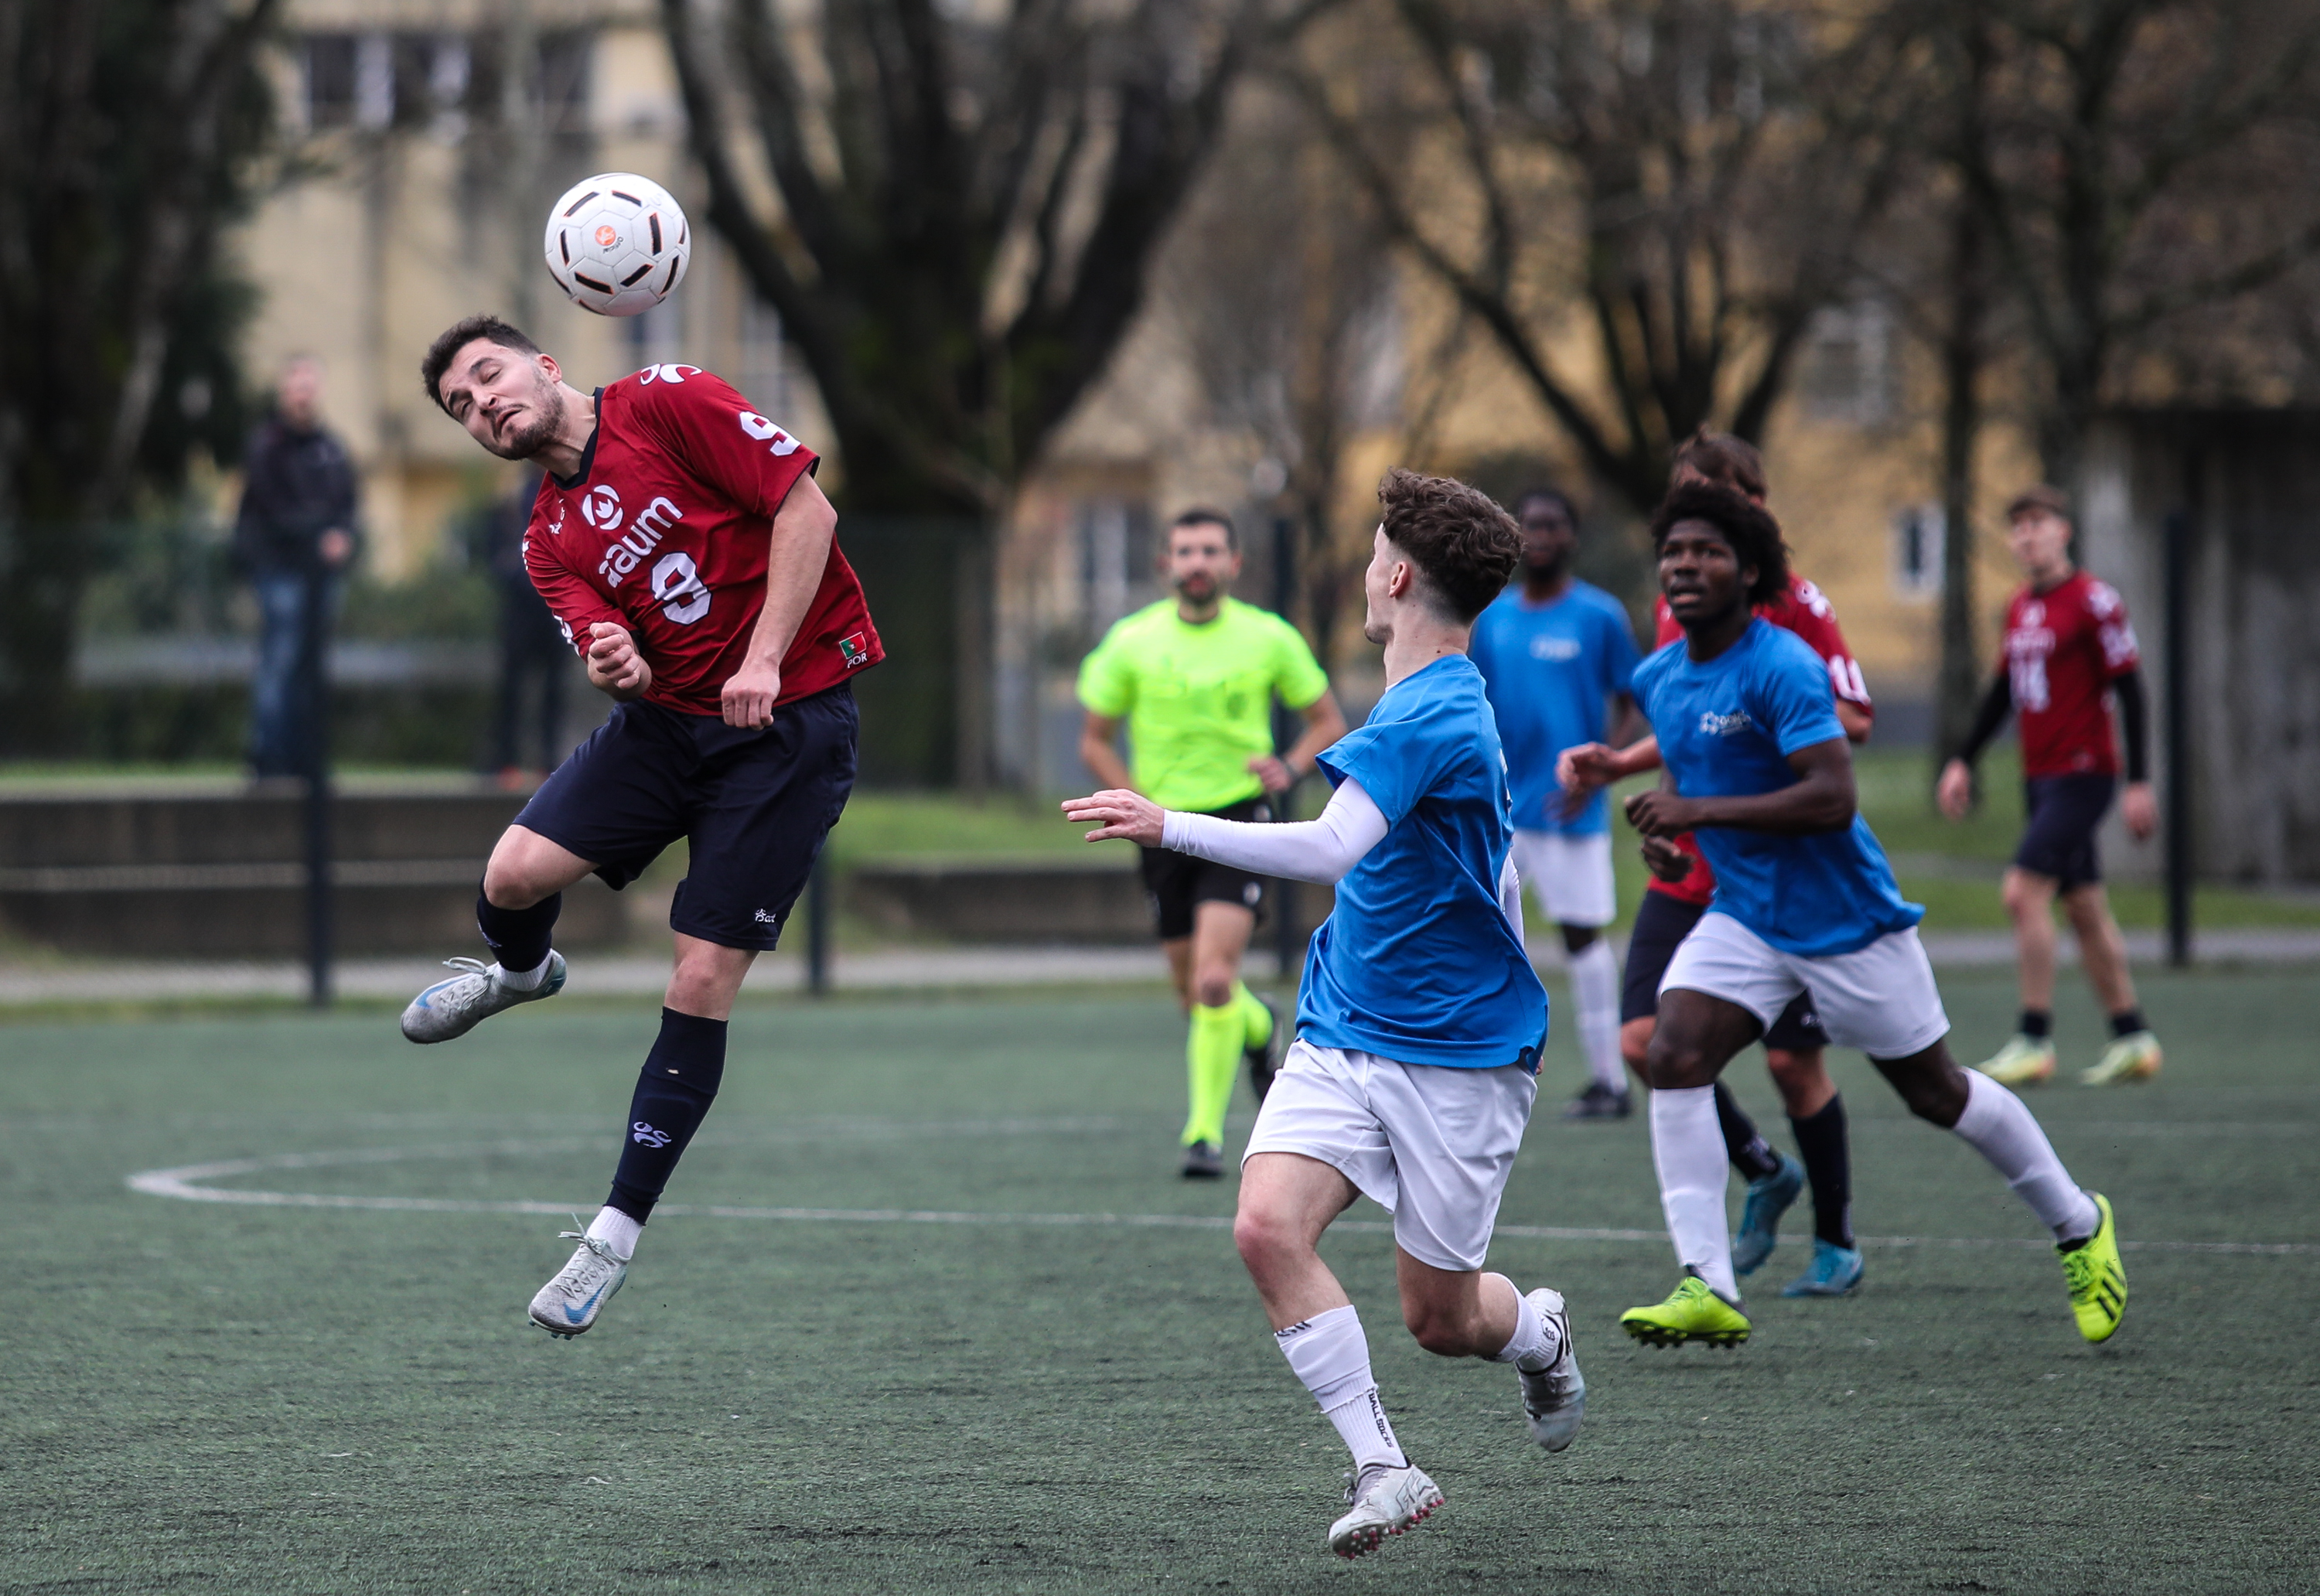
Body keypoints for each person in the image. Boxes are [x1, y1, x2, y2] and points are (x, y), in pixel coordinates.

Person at [1064, 469, 1583, 1559]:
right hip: (1346, 1021)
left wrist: (1173, 825)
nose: (1363, 570)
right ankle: (1384, 1469)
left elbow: (1329, 846)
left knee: (1443, 1323)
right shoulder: (1418, 698)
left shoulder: (1437, 704)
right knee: (1264, 1225)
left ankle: (1536, 1333)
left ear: (1394, 577)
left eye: (1371, 552)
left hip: (1458, 1056)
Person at [402, 318, 882, 1339]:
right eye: (461, 405)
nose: (482, 404)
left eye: (488, 376)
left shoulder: (669, 400)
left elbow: (809, 511)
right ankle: (524, 974)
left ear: (544, 362)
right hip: (669, 726)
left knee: (697, 977)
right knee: (514, 875)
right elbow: (597, 632)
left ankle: (611, 1237)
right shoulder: (543, 540)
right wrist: (611, 655)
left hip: (786, 720)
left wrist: (762, 659)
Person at [1615, 483, 2126, 1352]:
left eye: (1707, 552)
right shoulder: (1659, 676)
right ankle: (1707, 1281)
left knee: (1938, 1093)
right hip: (1746, 919)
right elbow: (1689, 783)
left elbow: (1830, 796)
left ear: (1749, 571)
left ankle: (2080, 1224)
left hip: (1847, 922)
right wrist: (1671, 838)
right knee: (1672, 1052)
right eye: (1674, 553)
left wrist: (1697, 817)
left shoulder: (1780, 666)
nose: (1685, 566)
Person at [1558, 430, 1875, 1297]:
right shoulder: (1678, 599)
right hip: (1692, 859)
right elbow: (1689, 710)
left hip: (1777, 864)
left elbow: (1852, 719)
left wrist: (1765, 721)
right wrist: (1618, 764)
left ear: (1753, 507)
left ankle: (1838, 1242)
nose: (1689, 544)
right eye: (1680, 511)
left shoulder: (1795, 605)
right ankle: (1764, 1173)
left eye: (1712, 501)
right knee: (1642, 1044)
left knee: (1792, 1062)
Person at [1076, 510, 1348, 1178]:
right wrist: (1128, 800)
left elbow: (1326, 720)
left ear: (1234, 564)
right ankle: (1260, 1029)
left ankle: (1204, 1137)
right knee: (1191, 993)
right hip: (1160, 828)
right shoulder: (1130, 642)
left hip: (1238, 825)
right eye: (1184, 551)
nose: (1197, 562)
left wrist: (1290, 766)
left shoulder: (1268, 637)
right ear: (1165, 564)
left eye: (1211, 550)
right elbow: (1093, 739)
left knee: (1213, 979)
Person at [1937, 485, 2162, 1087]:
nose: (2027, 536)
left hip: (2085, 772)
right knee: (2085, 906)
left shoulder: (2094, 601)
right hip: (2040, 776)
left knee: (2022, 893)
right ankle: (2133, 1036)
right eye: (2018, 527)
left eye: (2038, 524)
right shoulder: (2018, 607)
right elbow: (2002, 693)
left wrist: (2140, 780)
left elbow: (2131, 688)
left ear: (2064, 531)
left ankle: (2033, 1039)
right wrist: (1964, 760)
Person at [1468, 488, 1643, 1120]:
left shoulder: (1599, 615)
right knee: (1476, 931)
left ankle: (1610, 1081)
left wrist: (1603, 768)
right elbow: (1475, 704)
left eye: (1553, 525)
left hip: (1572, 809)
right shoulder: (1492, 619)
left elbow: (1634, 699)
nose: (1540, 535)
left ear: (1572, 536)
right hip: (1504, 811)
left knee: (1582, 940)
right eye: (1530, 526)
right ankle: (1474, 1069)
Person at [234, 356, 359, 779]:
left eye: (310, 387)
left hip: (320, 577)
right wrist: (317, 534)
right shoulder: (266, 446)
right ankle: (268, 758)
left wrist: (342, 534)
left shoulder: (331, 448)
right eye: (296, 388)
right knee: (282, 663)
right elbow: (269, 508)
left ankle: (306, 760)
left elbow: (347, 503)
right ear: (284, 394)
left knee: (311, 667)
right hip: (281, 572)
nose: (304, 397)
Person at [485, 468, 569, 785]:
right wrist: (513, 575)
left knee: (553, 690)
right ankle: (506, 762)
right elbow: (492, 551)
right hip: (518, 609)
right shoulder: (509, 501)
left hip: (555, 610)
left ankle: (548, 763)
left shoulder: (564, 495)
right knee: (511, 689)